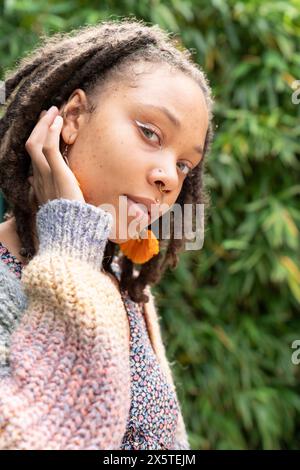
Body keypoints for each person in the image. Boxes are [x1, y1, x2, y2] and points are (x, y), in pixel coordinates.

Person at [0, 18, 214, 450]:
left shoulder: (121, 280)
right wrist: (72, 245)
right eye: (150, 133)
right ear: (74, 117)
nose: (169, 178)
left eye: (184, 164)